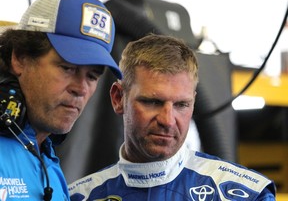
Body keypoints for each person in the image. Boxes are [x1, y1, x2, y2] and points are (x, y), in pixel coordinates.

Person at [69, 33, 276, 201]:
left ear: (193, 103)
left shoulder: (249, 194)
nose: (168, 120)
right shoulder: (77, 197)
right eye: (152, 102)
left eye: (181, 105)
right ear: (118, 98)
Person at [0, 0, 122, 201]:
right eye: (67, 68)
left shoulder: (50, 169)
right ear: (19, 58)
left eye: (92, 76)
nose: (81, 89)